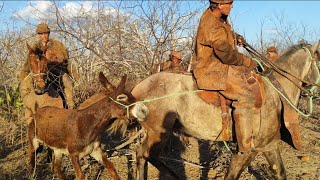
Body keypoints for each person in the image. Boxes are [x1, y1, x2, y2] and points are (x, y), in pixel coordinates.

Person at [192, 0, 260, 152]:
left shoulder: (216, 17)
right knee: (246, 96)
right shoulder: (211, 24)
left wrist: (235, 36)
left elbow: (223, 33)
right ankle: (245, 146)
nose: (232, 6)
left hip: (218, 64)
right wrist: (248, 61)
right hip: (211, 68)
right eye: (229, 3)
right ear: (219, 5)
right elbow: (227, 56)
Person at [19, 22, 78, 109]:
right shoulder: (35, 47)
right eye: (41, 34)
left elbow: (65, 59)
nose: (44, 36)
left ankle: (70, 106)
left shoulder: (57, 45)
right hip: (39, 72)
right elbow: (29, 63)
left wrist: (53, 59)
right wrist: (23, 76)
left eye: (46, 33)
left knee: (67, 81)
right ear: (39, 35)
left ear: (48, 33)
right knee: (24, 85)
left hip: (55, 69)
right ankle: (28, 108)